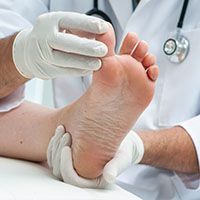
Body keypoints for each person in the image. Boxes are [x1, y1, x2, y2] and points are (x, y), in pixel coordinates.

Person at [0, 0, 200, 199]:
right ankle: (71, 130)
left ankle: (71, 133)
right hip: (63, 174)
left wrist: (138, 145)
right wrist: (20, 53)